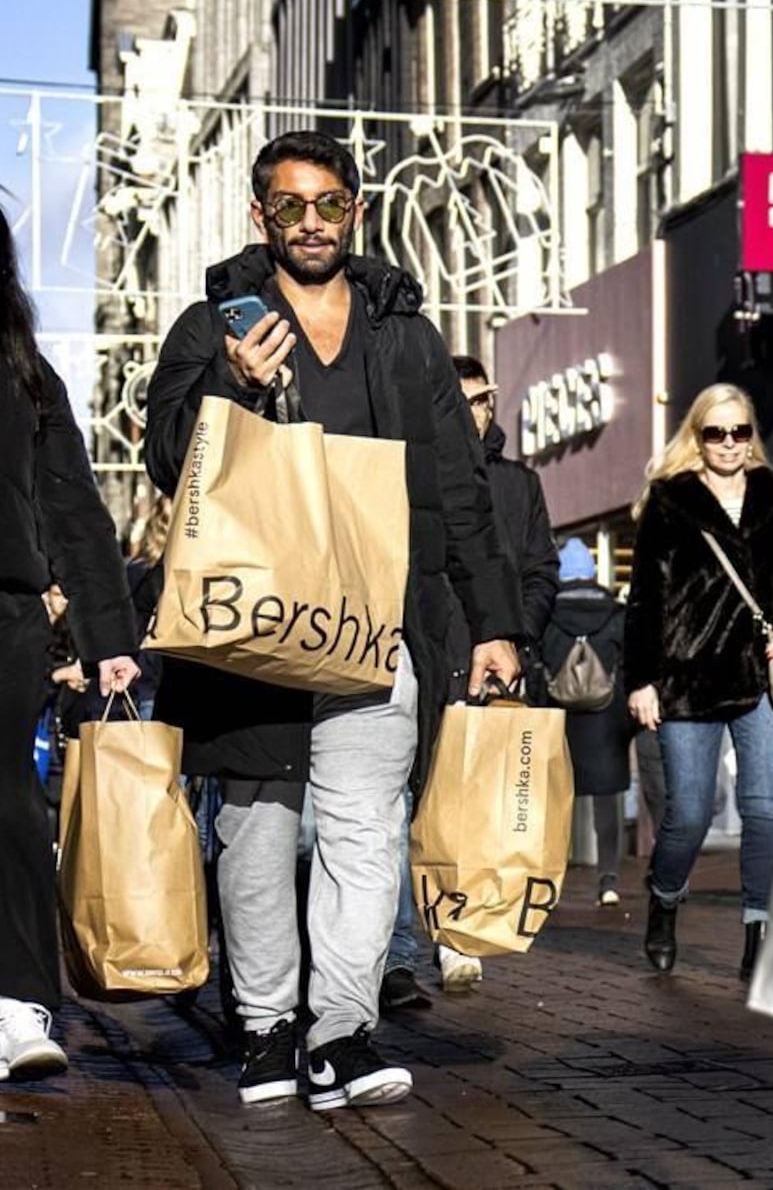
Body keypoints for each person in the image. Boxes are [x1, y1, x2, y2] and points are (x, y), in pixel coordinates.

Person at [143, 131, 522, 1113]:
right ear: (261, 215)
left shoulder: (406, 333)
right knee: (258, 827)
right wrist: (230, 380)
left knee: (365, 829)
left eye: (329, 204)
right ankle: (267, 1025)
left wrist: (493, 621)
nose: (310, 222)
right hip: (251, 615)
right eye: (290, 205)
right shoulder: (212, 324)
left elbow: (458, 484)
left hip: (381, 615)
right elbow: (168, 459)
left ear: (356, 210)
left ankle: (339, 1030)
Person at [0, 210, 141, 1082]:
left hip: (5, 611)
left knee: (7, 798)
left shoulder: (25, 371)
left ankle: (18, 1002)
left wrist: (109, 634)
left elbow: (73, 507)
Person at [623, 385, 773, 984]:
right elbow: (645, 601)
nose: (729, 443)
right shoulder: (670, 500)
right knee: (688, 814)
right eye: (716, 433)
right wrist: (642, 680)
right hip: (687, 678)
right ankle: (665, 897)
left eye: (740, 432)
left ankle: (760, 930)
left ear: (751, 436)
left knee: (765, 809)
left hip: (761, 675)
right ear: (697, 436)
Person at [383, 355, 558, 1007]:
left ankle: (459, 931)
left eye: (481, 400)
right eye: (459, 401)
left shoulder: (517, 485)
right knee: (405, 802)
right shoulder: (409, 474)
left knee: (472, 804)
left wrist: (514, 633)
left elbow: (540, 570)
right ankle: (398, 955)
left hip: (489, 666)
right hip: (423, 655)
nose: (472, 412)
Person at [542, 537, 632, 906]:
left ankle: (548, 880)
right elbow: (628, 667)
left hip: (559, 719)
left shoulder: (547, 614)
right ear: (592, 573)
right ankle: (608, 880)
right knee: (606, 800)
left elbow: (536, 666)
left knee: (554, 799)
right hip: (606, 720)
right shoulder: (616, 613)